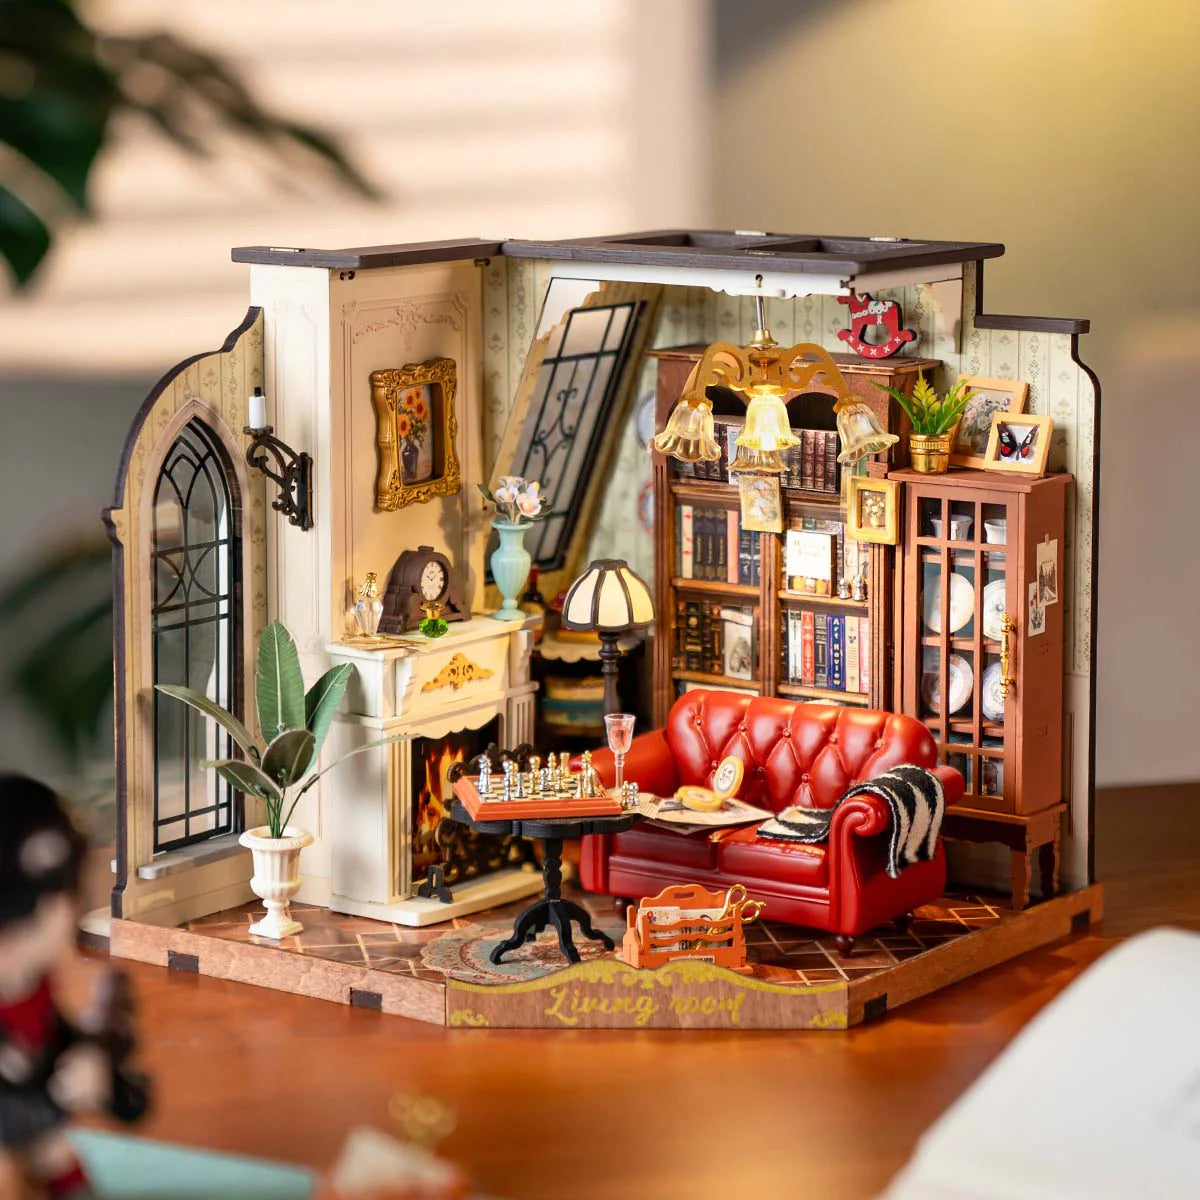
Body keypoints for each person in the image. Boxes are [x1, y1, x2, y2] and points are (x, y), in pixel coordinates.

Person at [0, 775, 149, 1199]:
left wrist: (91, 1062)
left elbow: (51, 1034)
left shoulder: (30, 984)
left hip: (29, 1110)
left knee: (55, 1153)